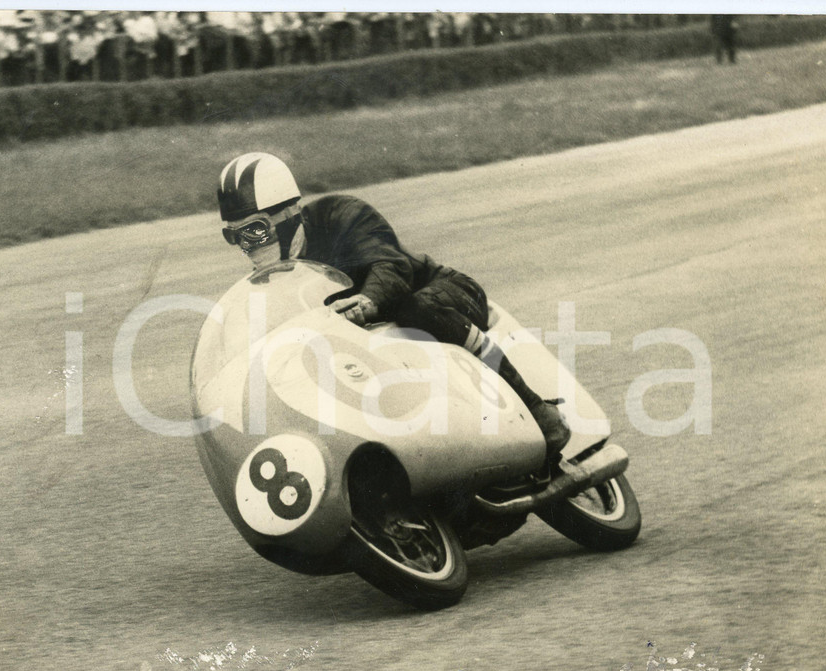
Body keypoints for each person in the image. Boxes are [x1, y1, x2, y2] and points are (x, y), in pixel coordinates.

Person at [216, 152, 570, 463]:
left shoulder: (341, 214)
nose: (246, 245)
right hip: (385, 349)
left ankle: (536, 409)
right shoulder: (274, 284)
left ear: (289, 213)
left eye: (255, 231)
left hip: (446, 295)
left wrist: (367, 301)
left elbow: (392, 266)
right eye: (234, 236)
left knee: (414, 308)